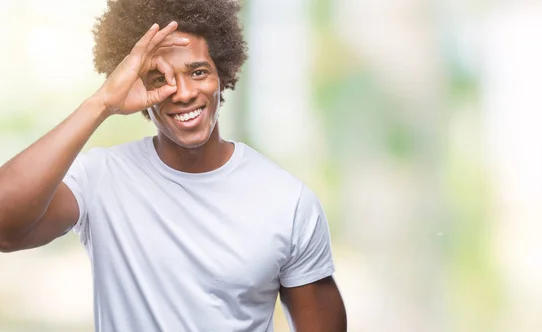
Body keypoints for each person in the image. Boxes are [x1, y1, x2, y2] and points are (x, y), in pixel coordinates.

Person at [0, 0, 347, 331]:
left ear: (222, 75)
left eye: (198, 72)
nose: (182, 93)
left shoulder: (288, 202)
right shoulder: (99, 179)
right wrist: (102, 102)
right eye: (159, 78)